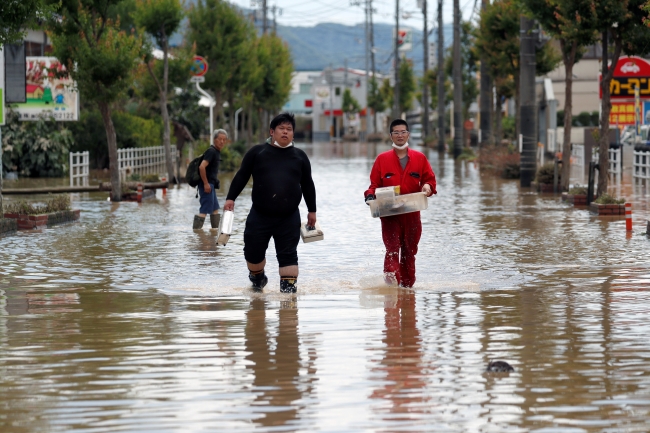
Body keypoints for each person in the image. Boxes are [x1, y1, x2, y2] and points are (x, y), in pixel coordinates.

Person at [224, 113, 317, 293]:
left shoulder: (300, 156)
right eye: (281, 129)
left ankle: (289, 305)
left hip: (289, 217)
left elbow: (308, 184)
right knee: (252, 253)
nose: (285, 132)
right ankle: (258, 278)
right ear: (272, 132)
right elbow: (241, 176)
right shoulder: (257, 153)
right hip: (260, 214)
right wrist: (230, 198)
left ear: (293, 134)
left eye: (289, 129)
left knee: (289, 255)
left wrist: (312, 210)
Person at [364, 119, 437, 288]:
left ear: (408, 134)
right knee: (392, 250)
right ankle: (391, 291)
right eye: (396, 132)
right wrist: (370, 197)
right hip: (389, 215)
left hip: (412, 214)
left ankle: (407, 291)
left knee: (409, 252)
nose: (400, 135)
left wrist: (427, 187)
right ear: (391, 136)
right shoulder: (382, 159)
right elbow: (373, 186)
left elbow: (430, 180)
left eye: (403, 132)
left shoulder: (420, 158)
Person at [193, 129, 228, 230]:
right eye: (219, 139)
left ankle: (215, 234)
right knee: (204, 210)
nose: (222, 142)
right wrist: (205, 184)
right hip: (207, 185)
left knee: (215, 209)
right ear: (214, 139)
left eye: (224, 140)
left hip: (211, 185)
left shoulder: (216, 152)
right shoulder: (211, 151)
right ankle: (197, 233)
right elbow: (202, 167)